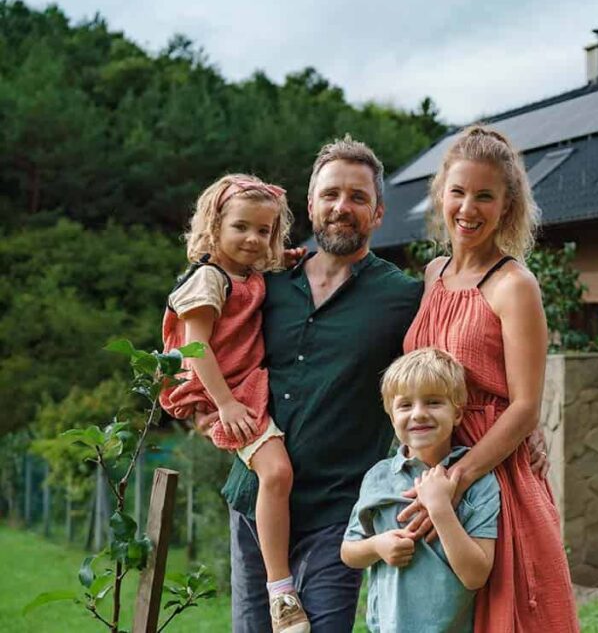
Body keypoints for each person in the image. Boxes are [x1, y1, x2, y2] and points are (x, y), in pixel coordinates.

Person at [210, 137, 423, 632]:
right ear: (310, 205)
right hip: (254, 502)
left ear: (378, 213)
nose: (341, 207)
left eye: (358, 197)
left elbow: (451, 368)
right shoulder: (262, 283)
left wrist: (529, 426)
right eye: (330, 194)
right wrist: (206, 408)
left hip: (337, 512)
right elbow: (202, 343)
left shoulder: (403, 298)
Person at [402, 125, 579, 631]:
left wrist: (457, 480)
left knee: (508, 615)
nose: (468, 208)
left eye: (484, 196)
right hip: (431, 470)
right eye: (458, 192)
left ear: (507, 206)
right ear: (441, 194)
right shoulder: (433, 275)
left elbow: (524, 406)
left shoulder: (514, 285)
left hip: (493, 475)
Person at [160, 174, 311, 633]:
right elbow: (196, 348)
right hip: (221, 389)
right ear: (214, 226)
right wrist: (224, 404)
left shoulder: (249, 273)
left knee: (277, 474)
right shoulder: (209, 279)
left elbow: (265, 267)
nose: (253, 239)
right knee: (277, 472)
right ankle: (280, 591)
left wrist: (286, 259)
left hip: (244, 384)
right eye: (241, 227)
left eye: (264, 231)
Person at [341, 347, 500, 632]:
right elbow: (349, 552)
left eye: (433, 402)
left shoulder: (479, 482)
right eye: (405, 405)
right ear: (392, 417)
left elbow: (476, 576)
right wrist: (377, 546)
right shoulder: (378, 477)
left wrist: (440, 508)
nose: (419, 414)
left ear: (457, 413)